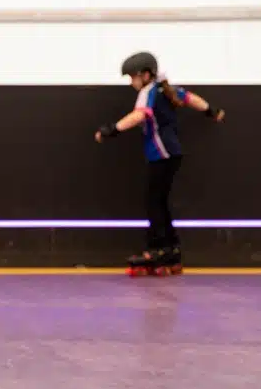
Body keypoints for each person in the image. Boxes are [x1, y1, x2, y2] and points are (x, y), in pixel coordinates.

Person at [95, 51, 225, 276]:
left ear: (145, 75)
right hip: (172, 153)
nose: (131, 83)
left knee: (154, 202)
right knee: (160, 202)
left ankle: (157, 250)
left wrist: (111, 129)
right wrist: (211, 111)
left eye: (132, 77)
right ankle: (171, 250)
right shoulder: (167, 89)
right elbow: (192, 99)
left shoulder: (149, 92)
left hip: (161, 153)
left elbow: (138, 116)